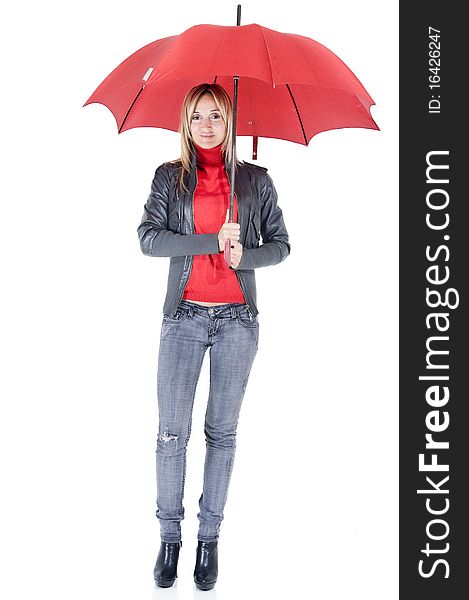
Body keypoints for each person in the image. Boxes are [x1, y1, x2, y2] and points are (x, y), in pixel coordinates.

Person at [137, 83, 290, 591]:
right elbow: (149, 239)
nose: (207, 125)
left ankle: (208, 540)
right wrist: (210, 240)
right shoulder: (169, 178)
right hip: (182, 318)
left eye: (217, 116)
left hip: (237, 323)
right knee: (170, 434)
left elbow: (282, 246)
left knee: (221, 434)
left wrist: (247, 256)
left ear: (230, 122)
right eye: (198, 115)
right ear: (186, 121)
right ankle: (169, 538)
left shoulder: (255, 182)